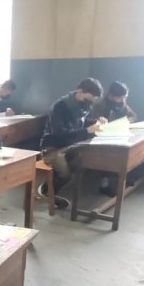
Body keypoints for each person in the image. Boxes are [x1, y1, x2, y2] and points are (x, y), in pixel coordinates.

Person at [39, 78, 105, 209]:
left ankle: (47, 190)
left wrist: (95, 122)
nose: (90, 103)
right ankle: (48, 192)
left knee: (80, 165)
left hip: (70, 145)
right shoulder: (60, 107)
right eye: (89, 99)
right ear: (80, 92)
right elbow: (59, 133)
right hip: (52, 147)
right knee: (65, 173)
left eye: (93, 100)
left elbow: (80, 123)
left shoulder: (81, 107)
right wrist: (87, 131)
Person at [89, 81, 139, 196]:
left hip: (117, 134)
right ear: (111, 96)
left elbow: (133, 115)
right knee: (109, 154)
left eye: (124, 97)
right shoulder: (100, 105)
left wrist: (125, 122)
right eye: (120, 97)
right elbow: (91, 122)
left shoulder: (122, 104)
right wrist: (103, 123)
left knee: (131, 150)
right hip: (100, 137)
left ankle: (126, 179)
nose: (123, 100)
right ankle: (105, 184)